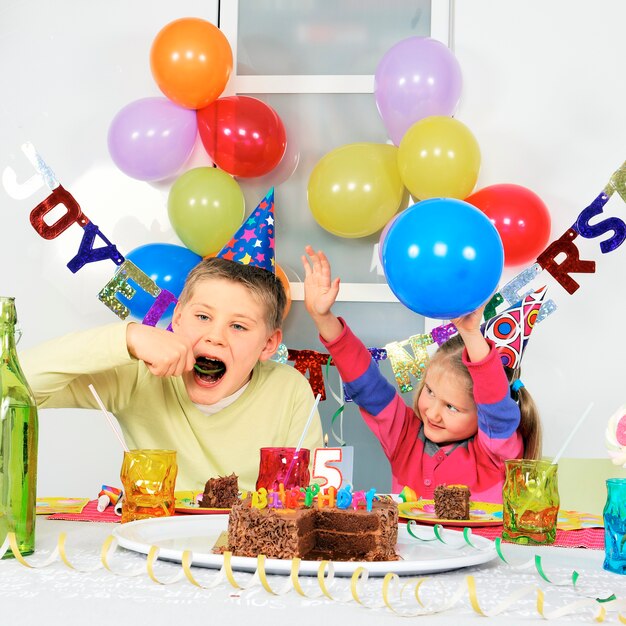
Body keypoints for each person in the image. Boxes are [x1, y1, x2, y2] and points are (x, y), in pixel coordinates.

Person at [21, 257, 323, 492]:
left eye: (238, 326)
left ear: (269, 344)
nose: (215, 337)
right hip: (151, 548)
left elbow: (307, 497)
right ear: (177, 318)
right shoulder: (137, 374)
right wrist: (129, 338)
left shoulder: (288, 390)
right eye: (203, 317)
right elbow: (16, 384)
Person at [302, 245, 541, 502]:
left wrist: (471, 334)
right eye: (429, 392)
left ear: (482, 413)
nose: (433, 412)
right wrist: (322, 318)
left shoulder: (495, 453)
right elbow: (367, 385)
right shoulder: (403, 436)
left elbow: (496, 408)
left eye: (452, 407)